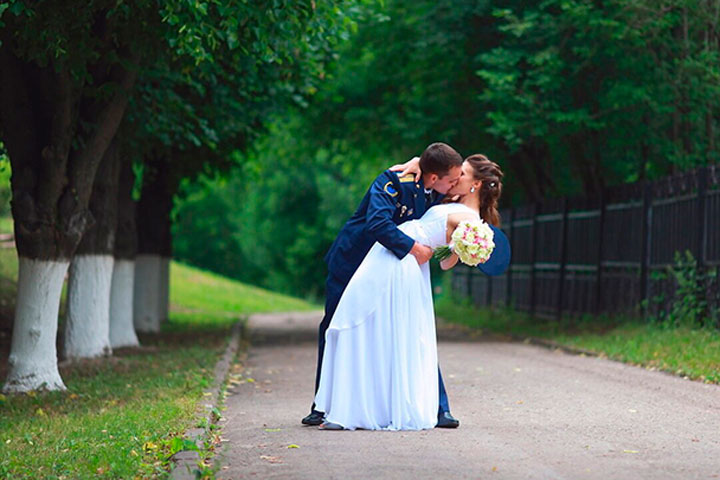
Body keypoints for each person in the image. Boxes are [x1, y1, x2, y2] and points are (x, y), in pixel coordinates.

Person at [314, 154, 504, 430]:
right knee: (347, 325)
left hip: (403, 265)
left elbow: (445, 258)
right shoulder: (427, 188)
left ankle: (424, 407)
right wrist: (417, 161)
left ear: (474, 184)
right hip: (362, 257)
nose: (455, 180)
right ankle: (327, 406)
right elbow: (433, 165)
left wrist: (465, 250)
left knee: (397, 334)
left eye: (460, 176)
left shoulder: (451, 202)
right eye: (454, 175)